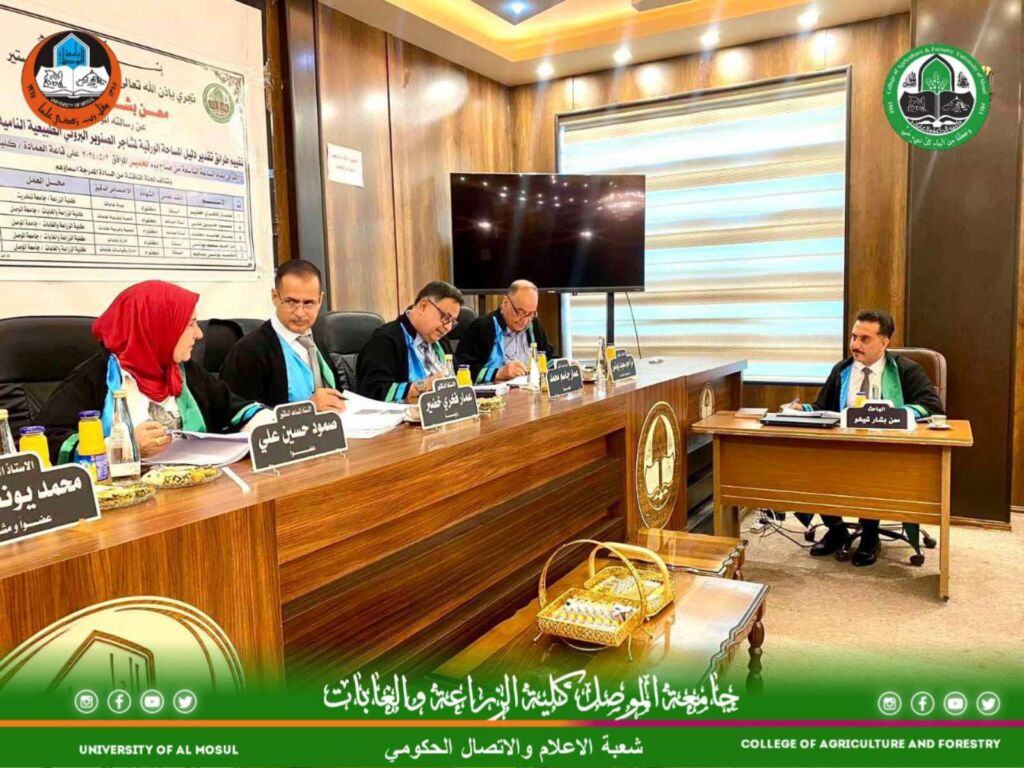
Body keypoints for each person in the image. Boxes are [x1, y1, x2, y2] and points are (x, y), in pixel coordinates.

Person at [38, 281, 273, 463]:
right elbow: (47, 441)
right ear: (157, 327)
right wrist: (125, 446)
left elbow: (233, 409)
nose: (199, 334)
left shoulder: (182, 370)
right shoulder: (95, 377)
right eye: (189, 324)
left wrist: (273, 422)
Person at [793, 309, 944, 566]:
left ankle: (870, 535)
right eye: (854, 337)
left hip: (886, 450)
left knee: (870, 469)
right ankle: (837, 529)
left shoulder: (906, 370)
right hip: (840, 447)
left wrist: (891, 414)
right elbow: (822, 407)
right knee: (809, 465)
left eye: (865, 339)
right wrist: (801, 409)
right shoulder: (842, 369)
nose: (855, 345)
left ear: (884, 343)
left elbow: (931, 406)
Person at [220, 260, 346, 412]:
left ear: (320, 300)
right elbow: (239, 416)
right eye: (291, 302)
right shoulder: (248, 352)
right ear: (275, 297)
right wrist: (305, 409)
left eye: (308, 303)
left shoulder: (317, 344)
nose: (300, 313)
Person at [356, 281, 464, 403]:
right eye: (446, 318)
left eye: (452, 322)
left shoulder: (441, 342)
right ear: (423, 306)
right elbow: (373, 392)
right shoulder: (385, 341)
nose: (448, 327)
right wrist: (423, 386)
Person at [455, 279, 556, 383]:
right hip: (493, 391)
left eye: (531, 314)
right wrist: (499, 373)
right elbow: (461, 369)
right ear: (505, 302)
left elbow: (548, 358)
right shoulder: (483, 327)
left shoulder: (533, 325)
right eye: (520, 312)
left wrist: (559, 366)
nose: (525, 320)